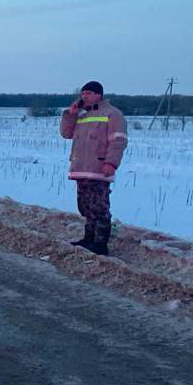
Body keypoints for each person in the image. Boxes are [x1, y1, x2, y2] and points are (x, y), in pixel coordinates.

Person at [60, 81, 127, 256]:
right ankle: (88, 239)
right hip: (81, 167)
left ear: (99, 94)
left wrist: (111, 163)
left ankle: (100, 243)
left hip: (99, 168)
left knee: (99, 207)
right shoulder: (81, 115)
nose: (84, 96)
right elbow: (66, 133)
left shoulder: (113, 114)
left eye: (88, 93)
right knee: (85, 206)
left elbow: (118, 141)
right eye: (83, 93)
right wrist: (70, 114)